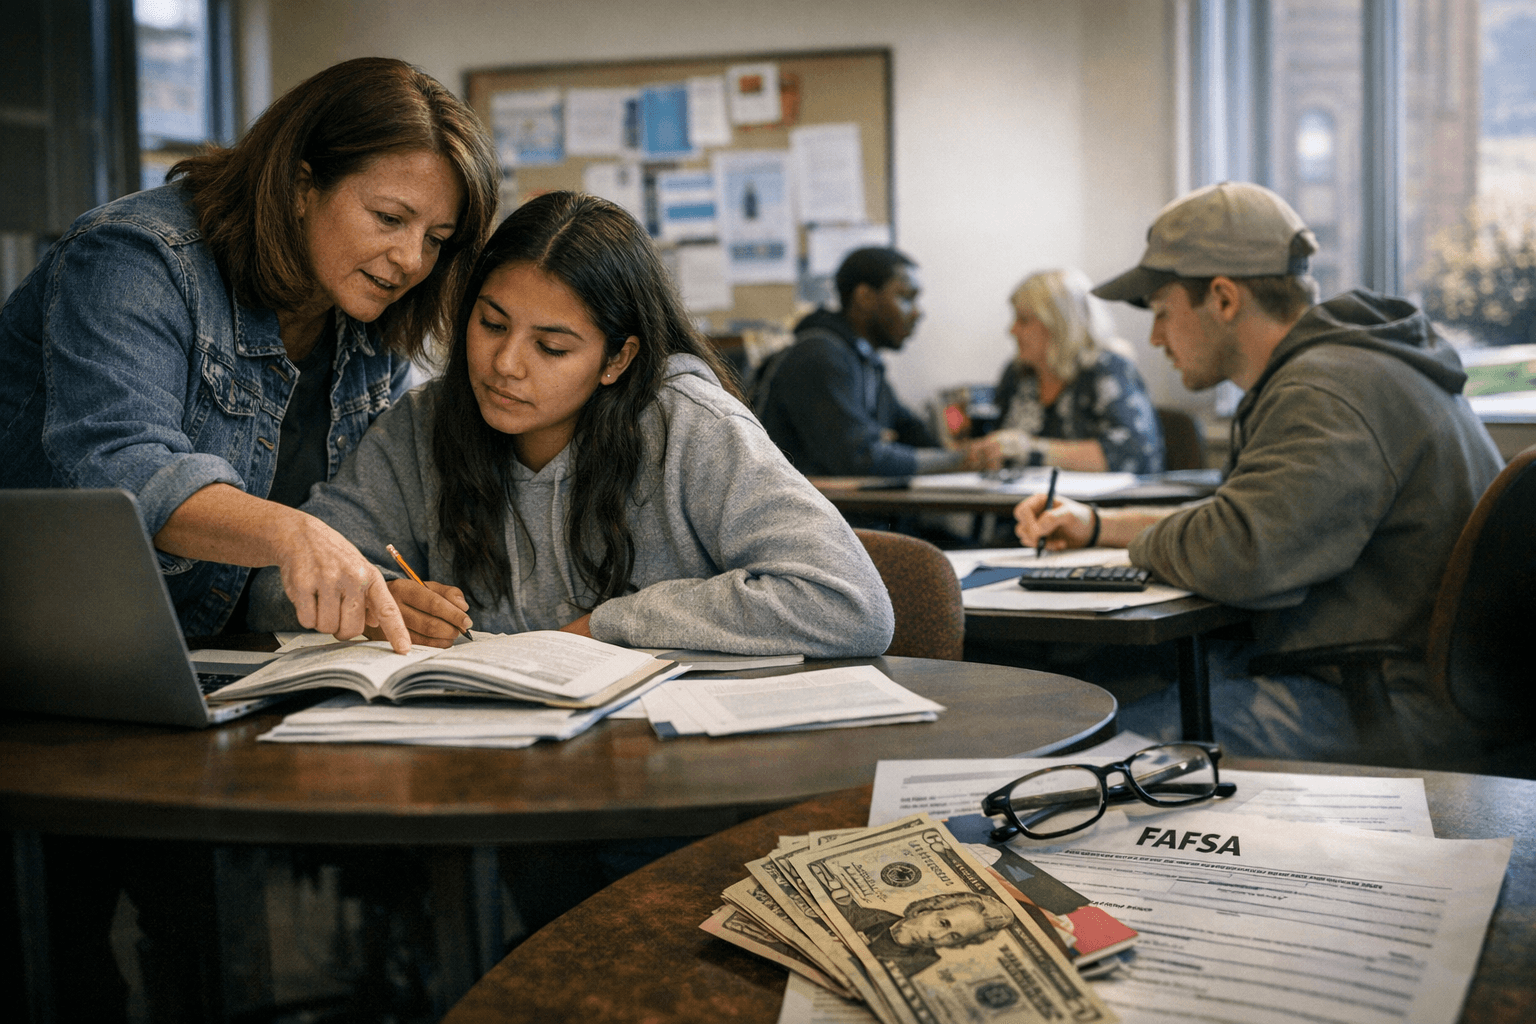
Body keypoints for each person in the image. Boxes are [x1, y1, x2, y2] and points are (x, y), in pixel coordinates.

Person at [249, 190, 895, 659]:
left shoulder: (686, 424)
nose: (504, 365)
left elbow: (849, 602)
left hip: (664, 775)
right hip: (481, 774)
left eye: (552, 348)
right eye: (491, 323)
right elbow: (270, 587)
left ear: (619, 358)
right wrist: (369, 599)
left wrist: (608, 625)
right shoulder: (422, 426)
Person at [0, 57, 499, 653]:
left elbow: (266, 578)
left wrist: (364, 599)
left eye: (437, 240)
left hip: (200, 664)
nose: (412, 261)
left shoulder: (372, 322)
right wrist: (292, 534)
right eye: (390, 218)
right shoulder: (135, 257)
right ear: (299, 187)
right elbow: (122, 475)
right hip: (47, 651)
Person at [1013, 182, 1503, 763]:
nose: (1155, 337)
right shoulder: (1351, 368)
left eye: (1164, 312)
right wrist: (1097, 526)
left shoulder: (1325, 390)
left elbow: (1239, 551)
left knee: (1075, 754)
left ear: (1223, 299)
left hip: (1381, 704)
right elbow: (1243, 519)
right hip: (1382, 675)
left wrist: (1142, 540)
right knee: (1111, 694)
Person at [753, 247, 1001, 477]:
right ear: (865, 297)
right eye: (906, 297)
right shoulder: (820, 356)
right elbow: (859, 457)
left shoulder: (863, 359)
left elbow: (909, 431)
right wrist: (957, 461)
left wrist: (964, 450)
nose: (917, 312)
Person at [983, 269, 1165, 474]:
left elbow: (1134, 455)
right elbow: (992, 441)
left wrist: (1033, 450)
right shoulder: (1017, 374)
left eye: (1023, 320)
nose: (1012, 330)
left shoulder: (1107, 368)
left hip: (1092, 504)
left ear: (1060, 324)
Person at [843, 892, 1015, 978]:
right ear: (924, 910)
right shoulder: (863, 915)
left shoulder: (923, 961)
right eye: (942, 923)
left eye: (954, 937)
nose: (935, 936)